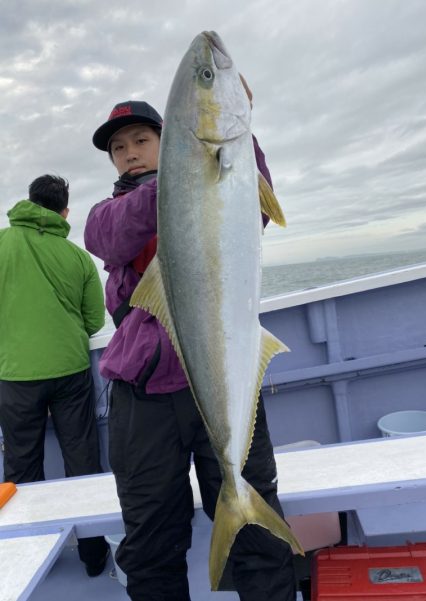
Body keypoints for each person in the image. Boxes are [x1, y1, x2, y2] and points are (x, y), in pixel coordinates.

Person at [84, 94, 297, 601]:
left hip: (226, 381)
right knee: (151, 542)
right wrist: (180, 177)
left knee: (258, 539)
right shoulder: (109, 214)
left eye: (142, 139)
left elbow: (249, 196)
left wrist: (229, 123)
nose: (130, 152)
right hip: (143, 398)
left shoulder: (221, 189)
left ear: (169, 138)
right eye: (118, 147)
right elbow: (107, 239)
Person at [0, 175, 110, 577]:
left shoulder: (1, 243)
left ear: (29, 203)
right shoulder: (77, 257)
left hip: (14, 375)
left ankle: (29, 557)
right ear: (65, 211)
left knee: (22, 466)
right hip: (70, 371)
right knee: (81, 460)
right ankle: (94, 555)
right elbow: (95, 320)